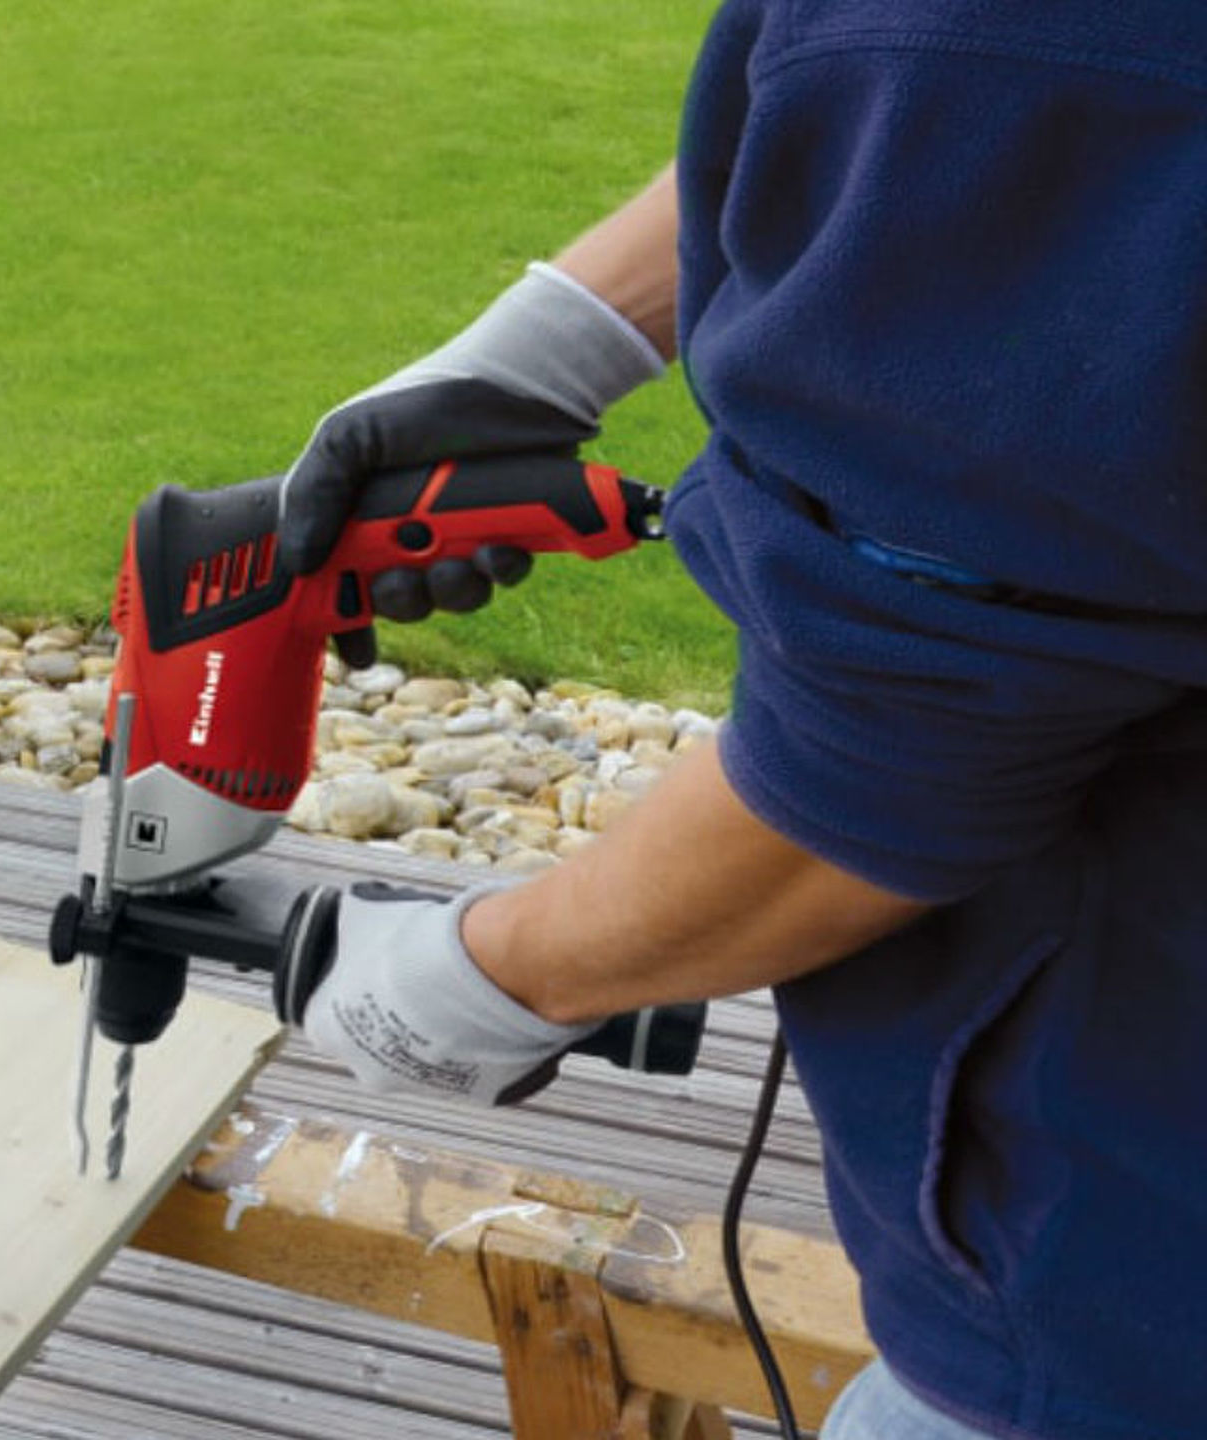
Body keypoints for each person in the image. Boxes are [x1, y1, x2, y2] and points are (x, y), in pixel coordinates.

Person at [272, 3, 1207, 1436]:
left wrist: (479, 981)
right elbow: (982, 127)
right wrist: (558, 344)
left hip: (1133, 1308)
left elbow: (891, 761)